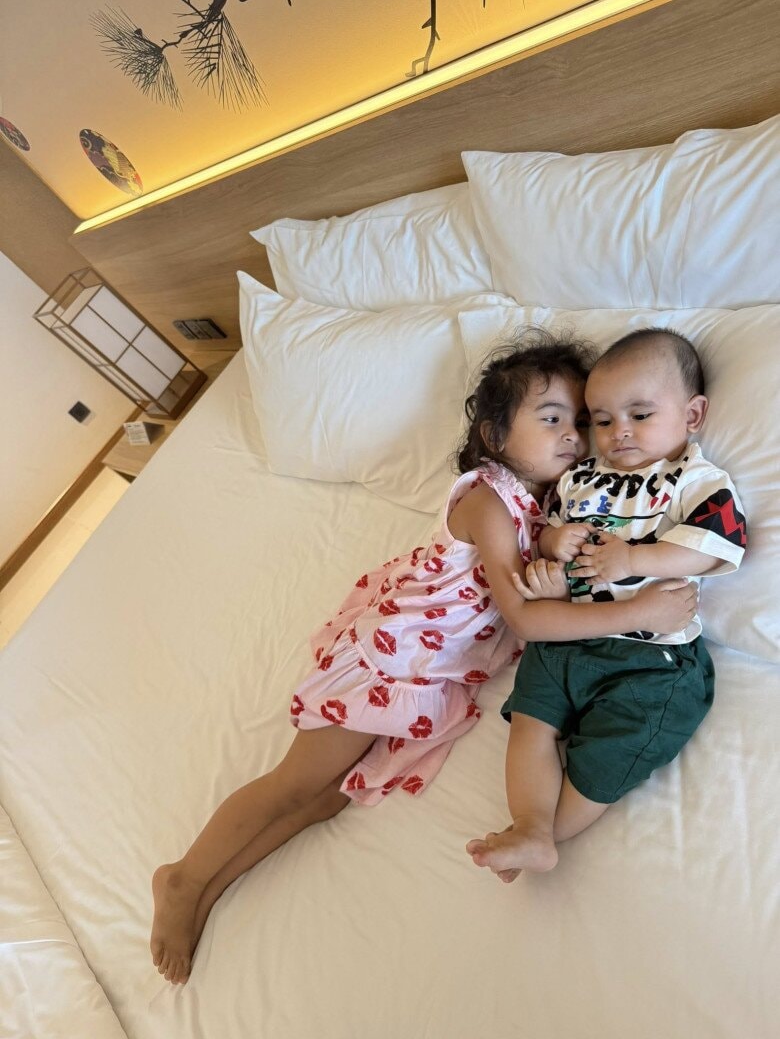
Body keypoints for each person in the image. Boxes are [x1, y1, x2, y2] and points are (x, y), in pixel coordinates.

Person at [151, 330, 698, 983]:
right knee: (294, 784)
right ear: (495, 435)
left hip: (427, 677)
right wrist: (637, 614)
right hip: (390, 662)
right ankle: (184, 878)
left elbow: (549, 573)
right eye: (552, 419)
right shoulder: (488, 499)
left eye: (581, 423)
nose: (574, 437)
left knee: (327, 801)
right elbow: (524, 617)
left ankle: (211, 888)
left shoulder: (546, 507)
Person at [467, 327, 747, 880]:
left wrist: (633, 560)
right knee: (530, 720)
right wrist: (553, 545)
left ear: (692, 415)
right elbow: (546, 532)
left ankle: (546, 835)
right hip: (568, 639)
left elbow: (717, 544)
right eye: (601, 420)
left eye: (639, 415)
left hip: (651, 656)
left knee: (617, 743)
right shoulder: (579, 479)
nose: (619, 432)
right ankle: (529, 825)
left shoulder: (693, 479)